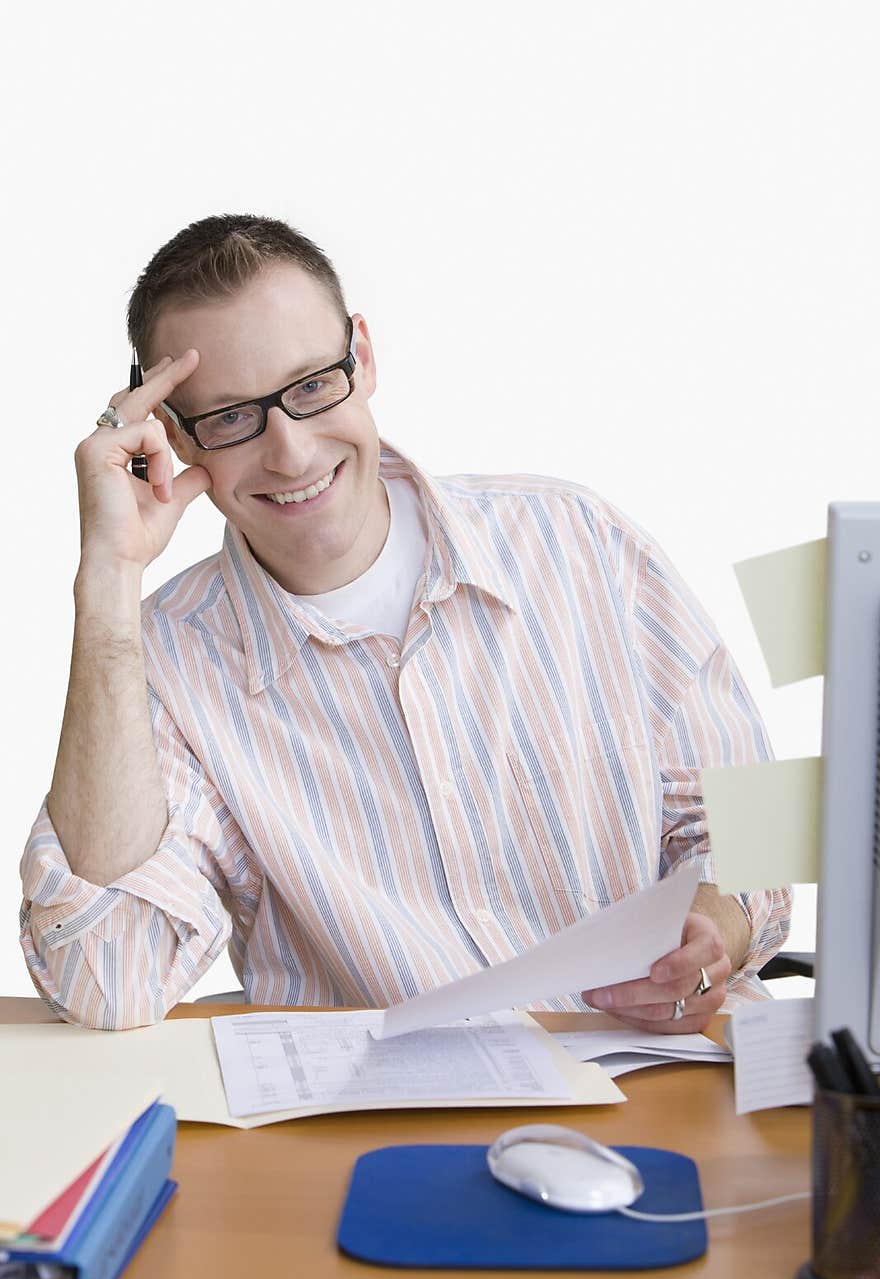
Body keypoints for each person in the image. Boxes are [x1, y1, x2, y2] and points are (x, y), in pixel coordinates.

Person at [19, 213, 792, 1033]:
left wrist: (721, 927)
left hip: (664, 1088)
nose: (290, 453)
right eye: (233, 417)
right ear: (172, 433)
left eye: (312, 386)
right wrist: (108, 584)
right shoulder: (169, 663)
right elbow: (108, 979)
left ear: (364, 356)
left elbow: (752, 825)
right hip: (387, 1132)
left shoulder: (576, 541)